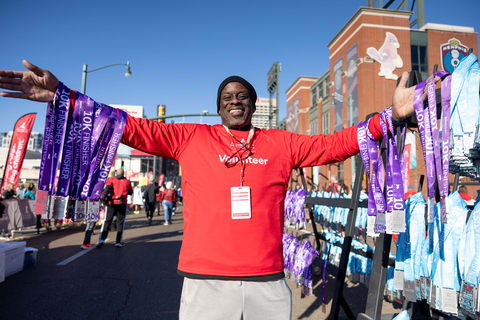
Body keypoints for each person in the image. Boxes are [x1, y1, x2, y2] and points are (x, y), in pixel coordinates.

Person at [0, 61, 433, 319]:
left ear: (253, 104)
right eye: (227, 96)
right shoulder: (190, 138)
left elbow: (335, 144)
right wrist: (64, 95)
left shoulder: (281, 143)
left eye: (243, 95)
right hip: (205, 286)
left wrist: (389, 118)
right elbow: (130, 126)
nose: (235, 100)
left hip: (268, 284)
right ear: (220, 103)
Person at [96, 168, 133, 248]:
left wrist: (103, 200)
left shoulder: (111, 180)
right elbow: (130, 192)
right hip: (122, 203)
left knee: (107, 221)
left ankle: (102, 239)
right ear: (123, 174)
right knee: (120, 222)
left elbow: (106, 190)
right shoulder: (128, 182)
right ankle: (118, 242)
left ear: (116, 173)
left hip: (111, 203)